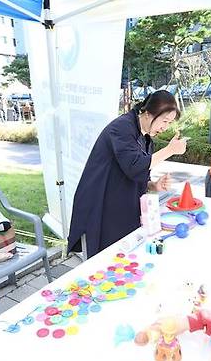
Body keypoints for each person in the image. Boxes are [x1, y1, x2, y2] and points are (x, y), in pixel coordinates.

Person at [67, 90, 187, 258]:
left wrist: (153, 186)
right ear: (148, 113)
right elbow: (134, 166)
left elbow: (137, 175)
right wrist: (170, 150)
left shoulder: (145, 138)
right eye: (164, 121)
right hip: (101, 204)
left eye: (169, 123)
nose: (165, 127)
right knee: (104, 260)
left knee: (125, 260)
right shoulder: (122, 127)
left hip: (122, 205)